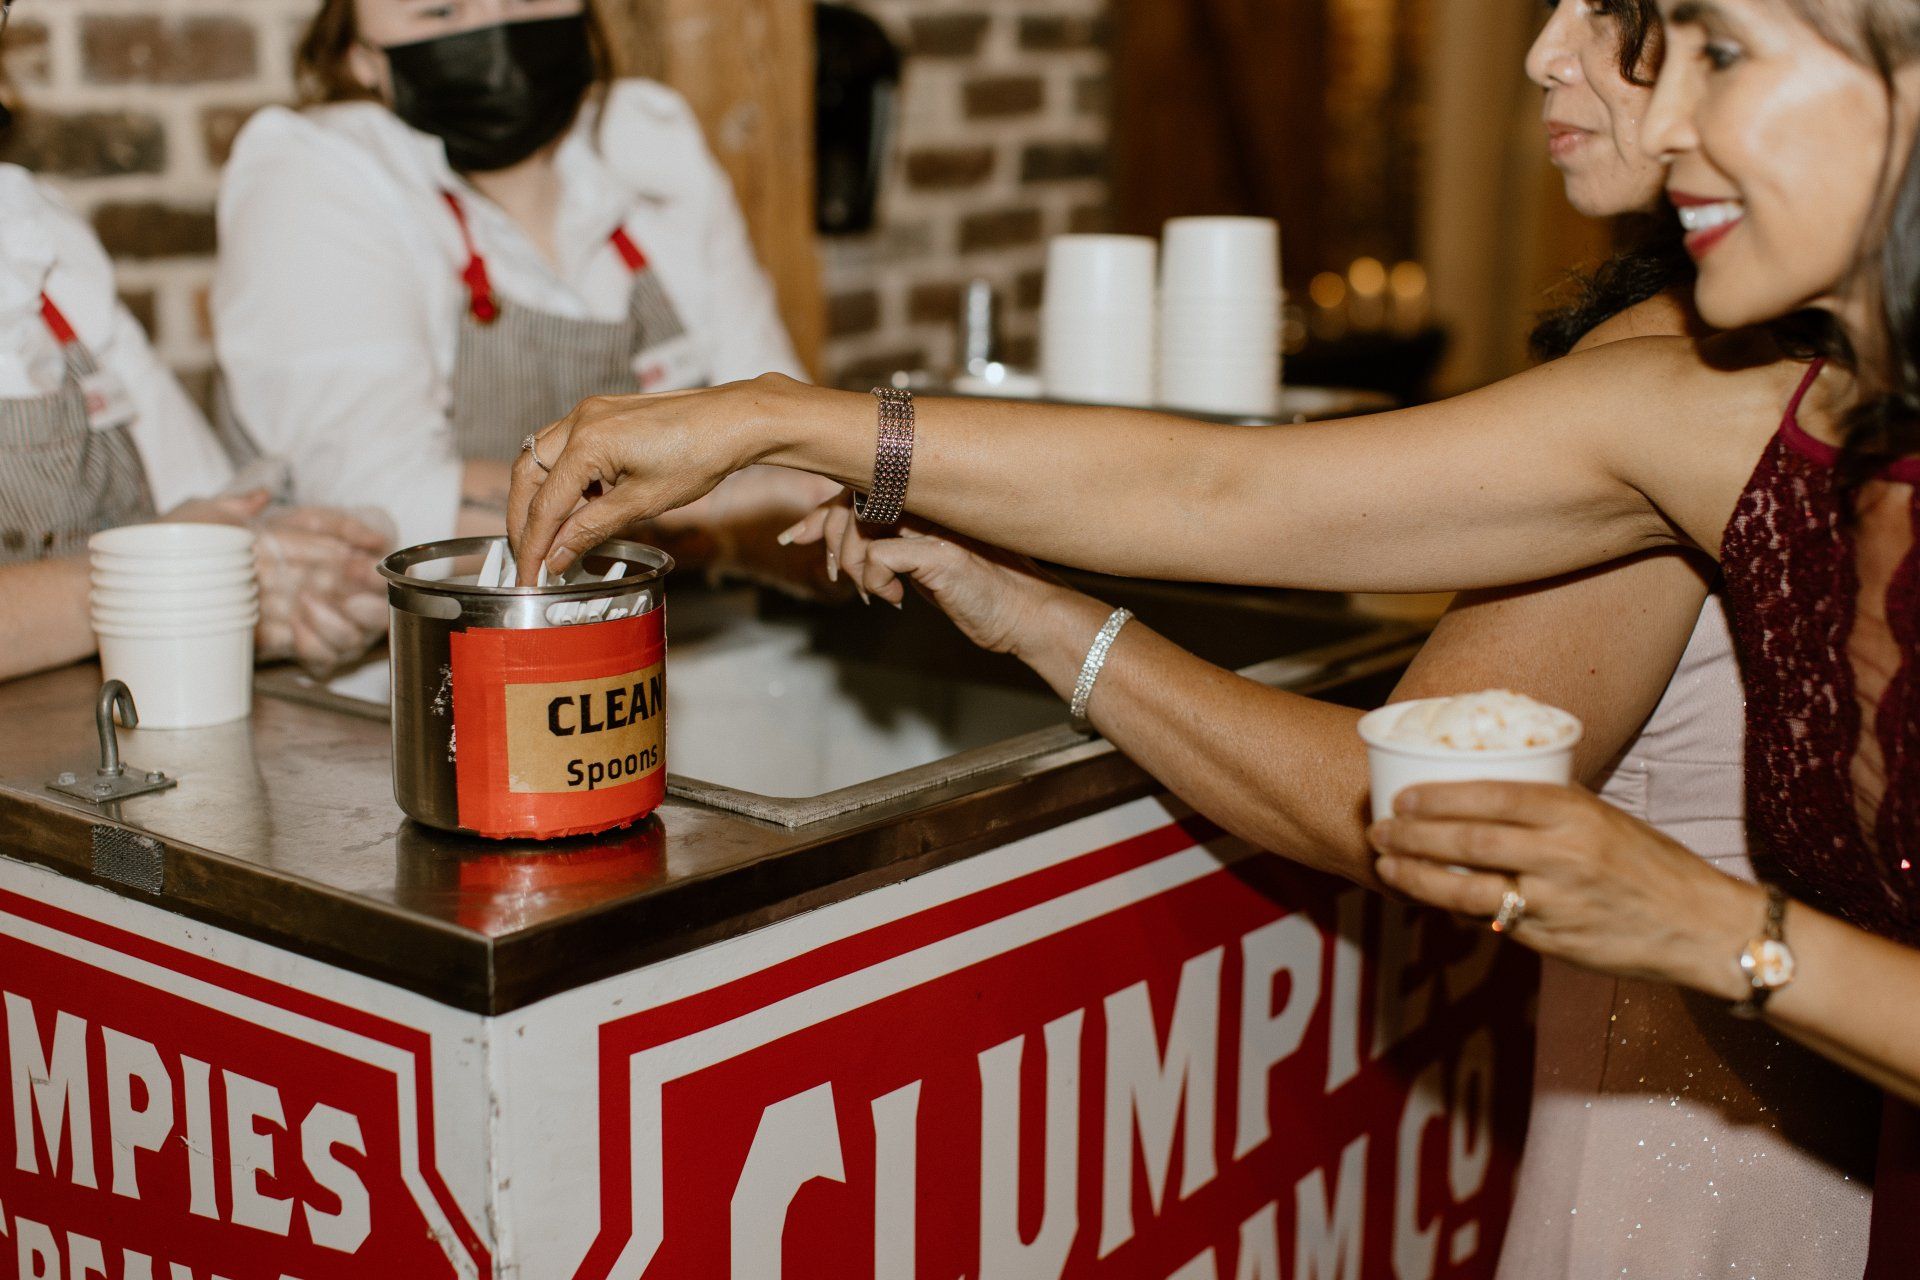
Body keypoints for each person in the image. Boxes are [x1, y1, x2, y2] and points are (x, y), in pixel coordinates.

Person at [509, 0, 1920, 1270]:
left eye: (1713, 49)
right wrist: (779, 416)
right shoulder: (1725, 411)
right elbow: (1221, 486)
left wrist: (1709, 926)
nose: (1655, 102)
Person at [212, 0, 834, 574]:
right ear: (359, 54)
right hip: (428, 659)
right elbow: (381, 506)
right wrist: (716, 507)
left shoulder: (647, 137)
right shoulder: (315, 175)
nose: (492, 25)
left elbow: (778, 418)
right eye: (440, 9)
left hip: (677, 631)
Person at [0, 155, 389, 683]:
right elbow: (181, 557)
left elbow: (207, 501)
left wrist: (294, 590)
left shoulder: (35, 240)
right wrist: (148, 582)